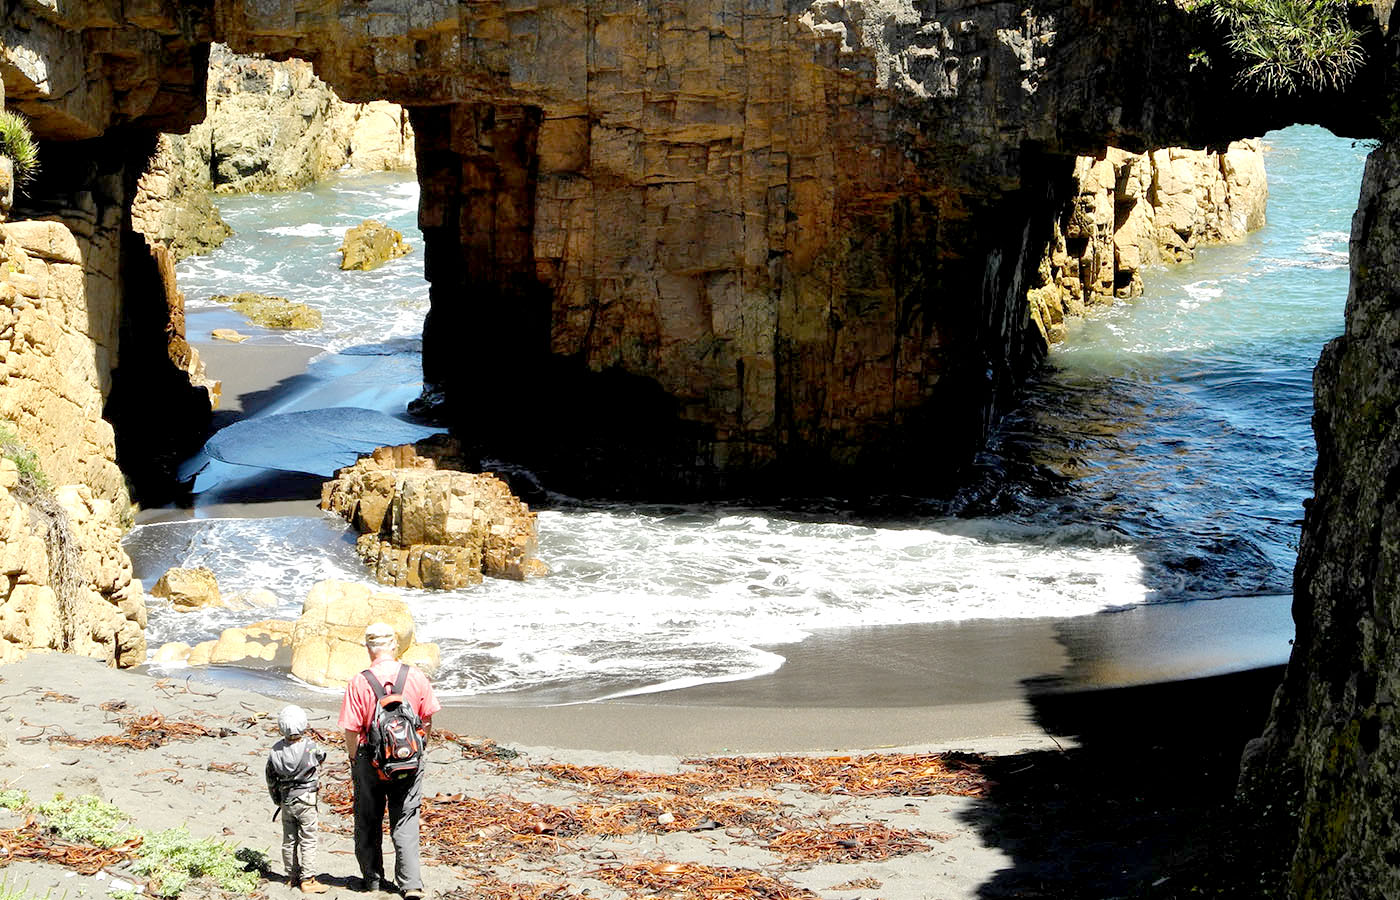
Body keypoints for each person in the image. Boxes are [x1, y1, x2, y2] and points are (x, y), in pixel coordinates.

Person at [339, 622, 441, 898]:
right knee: (405, 818)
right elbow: (428, 718)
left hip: (369, 761)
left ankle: (372, 879)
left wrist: (353, 759)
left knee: (368, 818)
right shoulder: (416, 676)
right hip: (409, 760)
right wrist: (420, 747)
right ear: (395, 645)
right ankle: (410, 885)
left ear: (368, 649)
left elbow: (351, 729)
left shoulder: (359, 682)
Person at [265, 704, 329, 894]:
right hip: (306, 799)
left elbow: (270, 778)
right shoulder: (310, 747)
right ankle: (308, 879)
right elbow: (322, 756)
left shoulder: (275, 751)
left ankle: (291, 876)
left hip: (286, 800)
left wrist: (277, 799)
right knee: (308, 838)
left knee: (289, 839)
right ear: (303, 725)